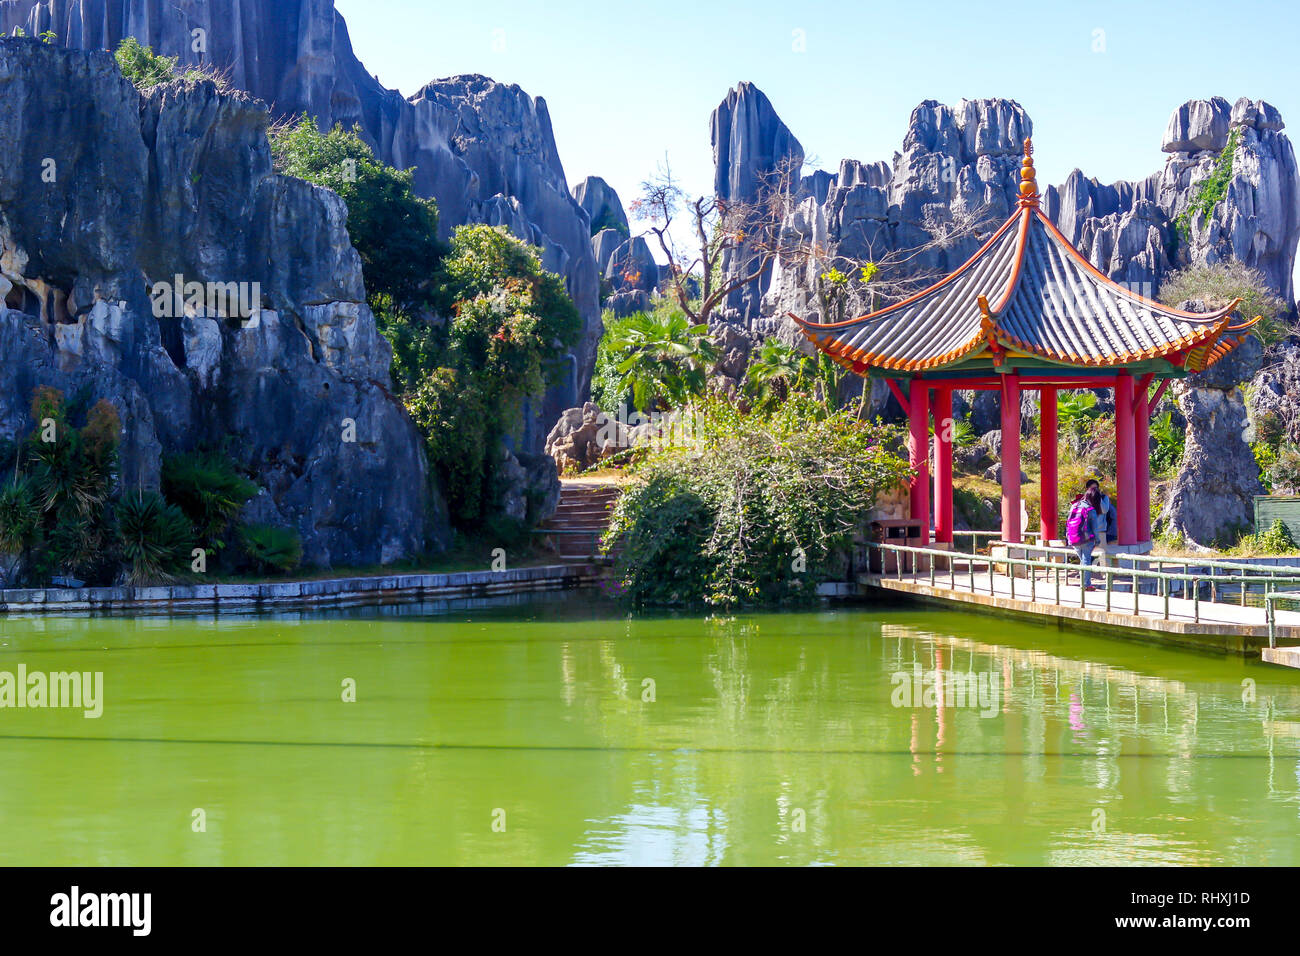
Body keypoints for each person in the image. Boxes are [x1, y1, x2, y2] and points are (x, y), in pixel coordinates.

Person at [1065, 487, 1106, 590]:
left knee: (1083, 561)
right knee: (1086, 561)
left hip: (1073, 539)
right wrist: (1097, 541)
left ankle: (1084, 583)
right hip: (1087, 539)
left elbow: (1068, 522)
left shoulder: (1074, 505)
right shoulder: (1090, 509)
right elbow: (1095, 528)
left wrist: (1068, 537)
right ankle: (1086, 585)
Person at [1085, 479, 1117, 545]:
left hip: (1101, 531)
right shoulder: (1085, 498)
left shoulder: (1104, 498)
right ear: (1087, 489)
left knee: (1101, 553)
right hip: (1088, 531)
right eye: (1092, 488)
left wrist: (1098, 498)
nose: (1094, 490)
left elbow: (1104, 510)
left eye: (1096, 488)